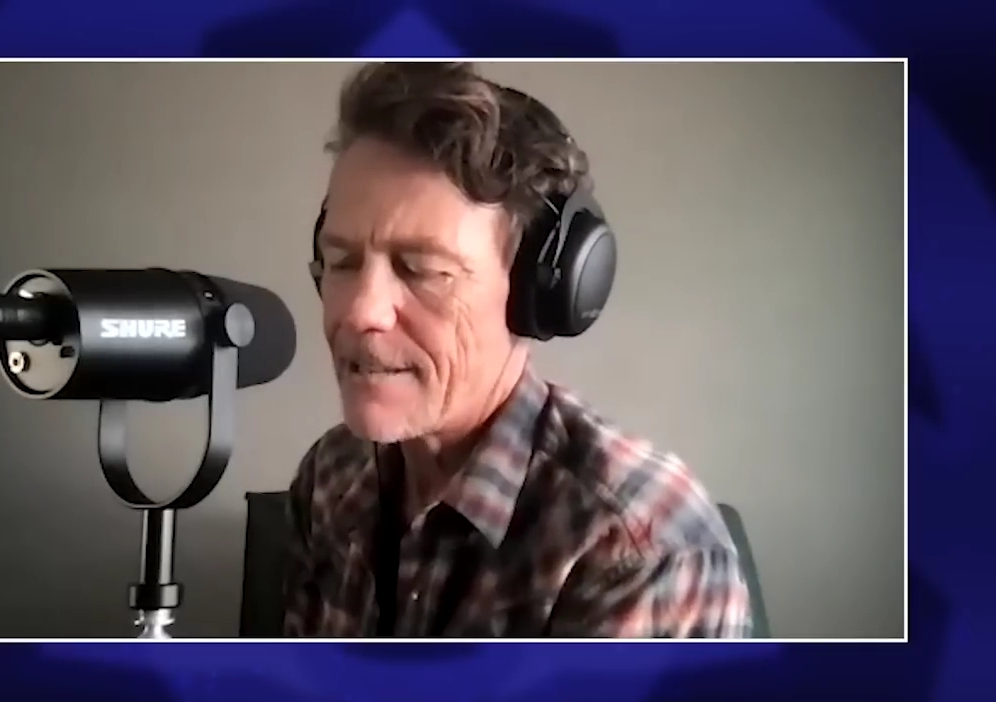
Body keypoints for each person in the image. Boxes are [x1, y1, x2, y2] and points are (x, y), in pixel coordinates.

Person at [282, 62, 752, 638]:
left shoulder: (641, 549)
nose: (360, 311)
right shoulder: (331, 474)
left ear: (538, 291)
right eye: (342, 261)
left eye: (422, 270)